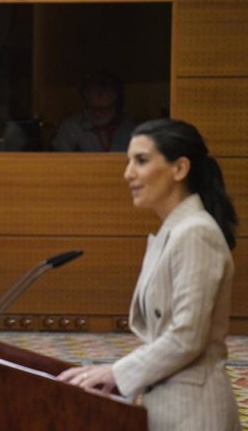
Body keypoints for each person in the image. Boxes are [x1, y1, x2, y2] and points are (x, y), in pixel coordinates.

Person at [58, 119, 240, 430]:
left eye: (141, 161)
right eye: (129, 161)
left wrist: (116, 373)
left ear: (179, 169)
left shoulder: (196, 233)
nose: (128, 173)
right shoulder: (175, 230)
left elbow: (186, 337)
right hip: (169, 401)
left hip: (195, 412)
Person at [51, 70, 136, 152]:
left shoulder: (129, 128)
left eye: (105, 109)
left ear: (117, 105)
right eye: (93, 108)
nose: (98, 113)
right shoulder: (70, 129)